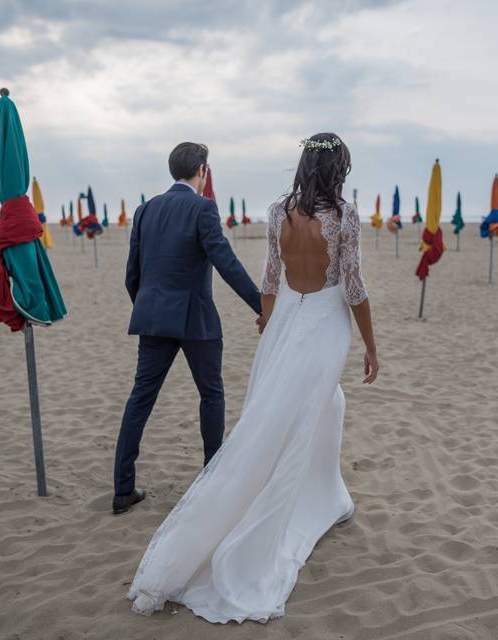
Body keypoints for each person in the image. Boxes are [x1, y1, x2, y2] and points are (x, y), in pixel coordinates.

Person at [127, 132, 379, 623]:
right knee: (301, 415)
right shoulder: (344, 215)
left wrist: (268, 324)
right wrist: (371, 343)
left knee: (319, 407)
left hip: (287, 319)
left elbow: (269, 280)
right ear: (338, 171)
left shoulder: (276, 211)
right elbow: (354, 286)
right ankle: (298, 509)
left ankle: (328, 493)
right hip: (325, 322)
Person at [112, 142, 263, 515]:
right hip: (195, 319)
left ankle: (122, 490)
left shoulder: (145, 210)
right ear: (202, 170)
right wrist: (263, 306)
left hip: (153, 318)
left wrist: (148, 308)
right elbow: (225, 262)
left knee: (140, 399)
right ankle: (212, 482)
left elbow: (133, 273)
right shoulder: (202, 207)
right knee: (211, 395)